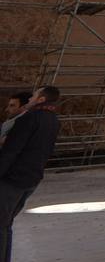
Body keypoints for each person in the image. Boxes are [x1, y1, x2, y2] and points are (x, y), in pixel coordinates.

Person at [0, 86, 60, 262]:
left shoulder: (29, 119)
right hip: (31, 178)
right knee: (6, 224)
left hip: (13, 179)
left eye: (34, 96)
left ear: (41, 99)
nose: (31, 99)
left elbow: (12, 151)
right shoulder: (53, 120)